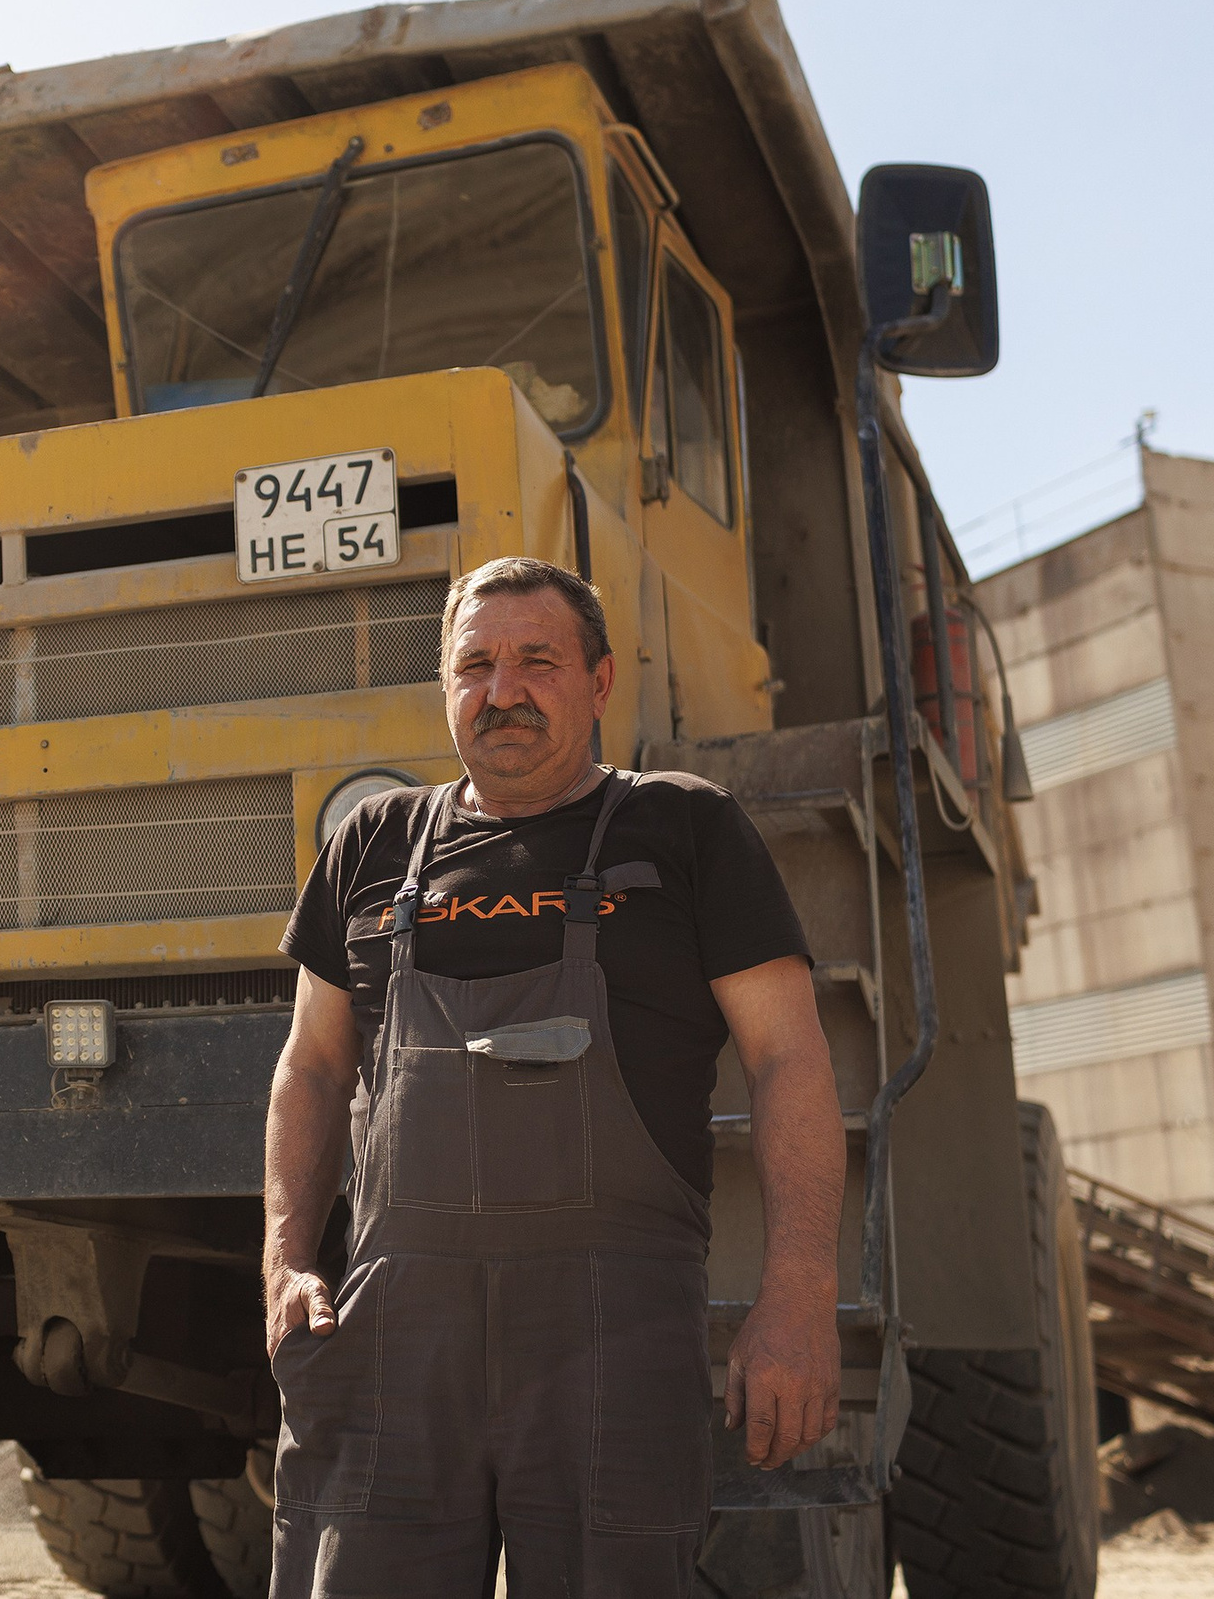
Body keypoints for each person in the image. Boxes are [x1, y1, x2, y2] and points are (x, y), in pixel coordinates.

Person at [263, 555, 845, 1597]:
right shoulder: (373, 844)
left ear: (600, 681)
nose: (502, 690)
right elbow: (310, 1064)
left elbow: (789, 1056)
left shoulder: (685, 829)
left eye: (537, 660)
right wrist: (283, 1258)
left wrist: (797, 1294)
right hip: (394, 1336)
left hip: (609, 1334)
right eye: (474, 665)